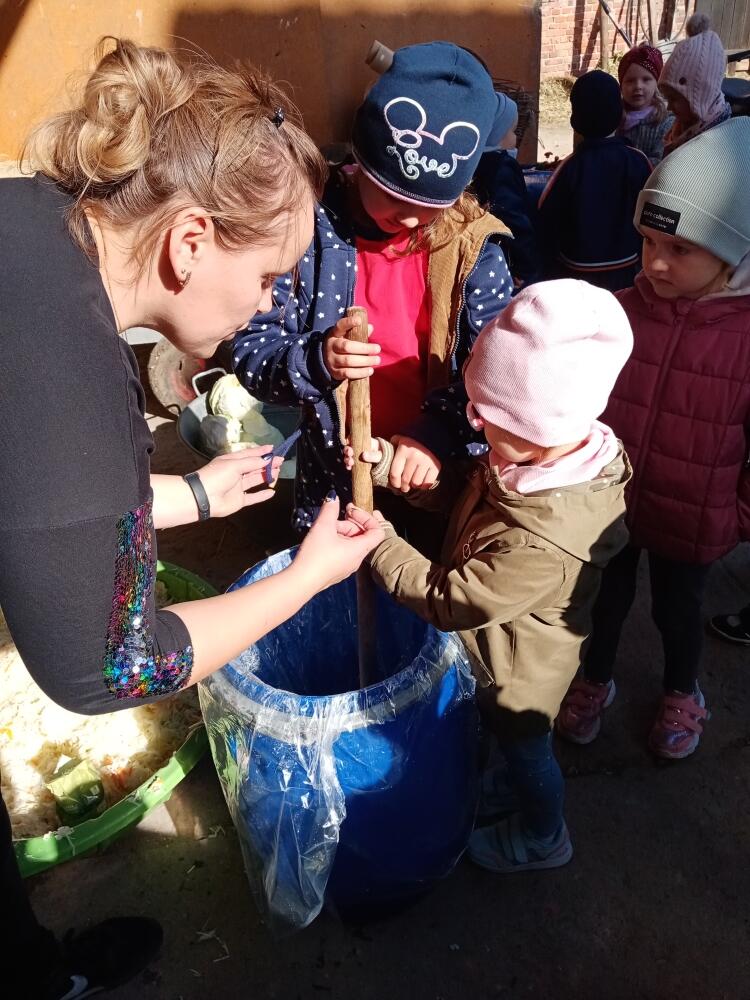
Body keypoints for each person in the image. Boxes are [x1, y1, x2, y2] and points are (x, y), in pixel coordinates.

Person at [0, 37, 383, 1000]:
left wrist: (201, 495)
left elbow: (42, 508)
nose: (272, 302)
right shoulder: (74, 392)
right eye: (269, 279)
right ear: (190, 240)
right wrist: (305, 579)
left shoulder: (33, 223)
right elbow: (111, 667)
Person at [346, 280, 632, 872]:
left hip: (517, 681)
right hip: (496, 654)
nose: (473, 425)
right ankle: (509, 789)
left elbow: (453, 599)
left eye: (488, 415)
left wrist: (380, 543)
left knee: (528, 754)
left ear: (541, 426)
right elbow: (474, 507)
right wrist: (422, 488)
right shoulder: (532, 461)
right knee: (511, 757)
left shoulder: (545, 541)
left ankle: (544, 835)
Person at [232, 42, 514, 536]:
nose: (408, 217)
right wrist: (317, 360)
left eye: (430, 207)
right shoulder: (307, 231)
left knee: (420, 601)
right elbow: (252, 350)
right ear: (361, 159)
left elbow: (497, 374)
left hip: (433, 485)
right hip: (332, 488)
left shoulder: (474, 251)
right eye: (393, 194)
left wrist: (434, 436)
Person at [557, 117, 750, 759]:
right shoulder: (618, 310)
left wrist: (736, 513)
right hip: (611, 504)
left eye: (681, 249)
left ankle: (681, 689)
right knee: (602, 601)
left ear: (735, 251)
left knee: (678, 610)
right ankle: (594, 677)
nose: (656, 263)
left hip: (692, 515)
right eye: (645, 243)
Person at [537, 69, 652, 291]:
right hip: (627, 268)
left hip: (575, 274)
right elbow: (654, 211)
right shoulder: (637, 160)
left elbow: (547, 220)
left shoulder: (569, 167)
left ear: (575, 121)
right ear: (619, 114)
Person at [471, 92, 542, 288]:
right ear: (496, 133)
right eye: (511, 132)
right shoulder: (501, 167)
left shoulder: (470, 162)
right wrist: (527, 266)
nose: (515, 138)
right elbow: (514, 219)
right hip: (506, 260)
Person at [659, 13, 731, 158]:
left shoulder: (712, 146)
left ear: (700, 97)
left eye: (673, 98)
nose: (668, 107)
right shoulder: (685, 127)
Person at [616, 42, 674, 164]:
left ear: (657, 83)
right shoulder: (614, 118)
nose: (638, 86)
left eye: (646, 79)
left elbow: (661, 161)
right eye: (630, 81)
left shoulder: (666, 122)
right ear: (621, 85)